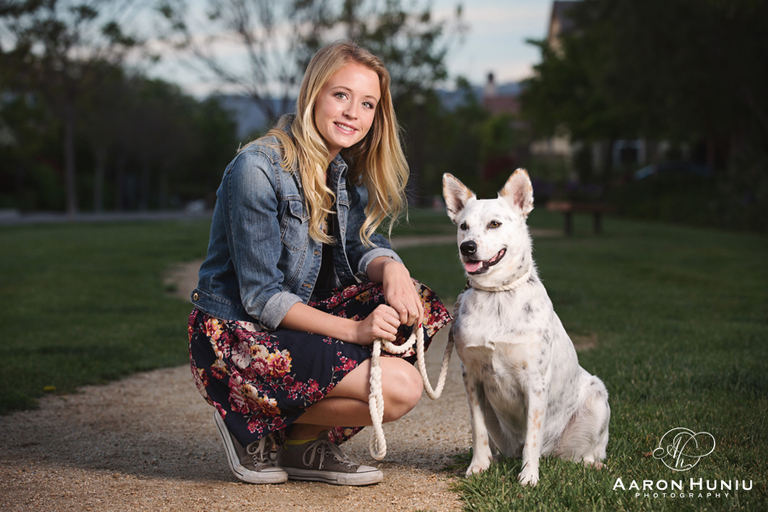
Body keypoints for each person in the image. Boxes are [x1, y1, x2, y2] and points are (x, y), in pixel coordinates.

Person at [187, 41, 451, 486]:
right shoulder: (256, 168)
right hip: (239, 335)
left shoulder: (339, 171)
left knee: (415, 306)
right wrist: (356, 331)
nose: (353, 113)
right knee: (399, 388)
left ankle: (300, 444)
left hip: (294, 328)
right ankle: (244, 415)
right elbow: (262, 298)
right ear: (313, 93)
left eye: (367, 103)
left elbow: (360, 246)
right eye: (341, 95)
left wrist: (393, 269)